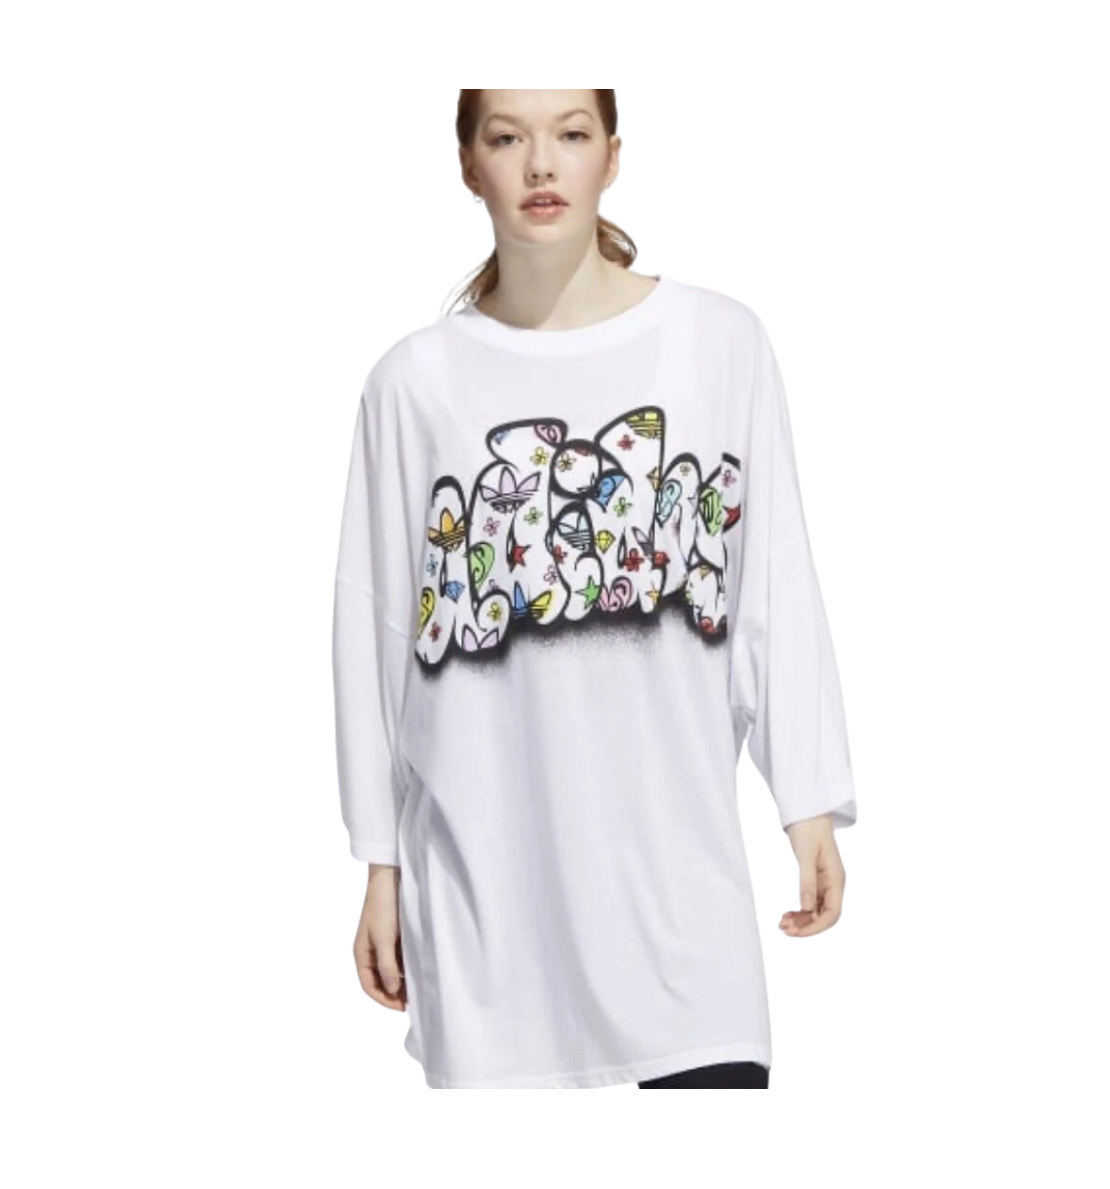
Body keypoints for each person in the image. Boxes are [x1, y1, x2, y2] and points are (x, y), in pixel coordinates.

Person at [331, 89, 857, 1090]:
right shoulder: (412, 384)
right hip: (492, 941)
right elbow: (373, 634)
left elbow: (774, 581)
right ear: (468, 163)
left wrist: (811, 800)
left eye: (571, 134)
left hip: (684, 938)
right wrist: (378, 862)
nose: (542, 164)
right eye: (507, 137)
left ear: (612, 155)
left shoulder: (718, 343)